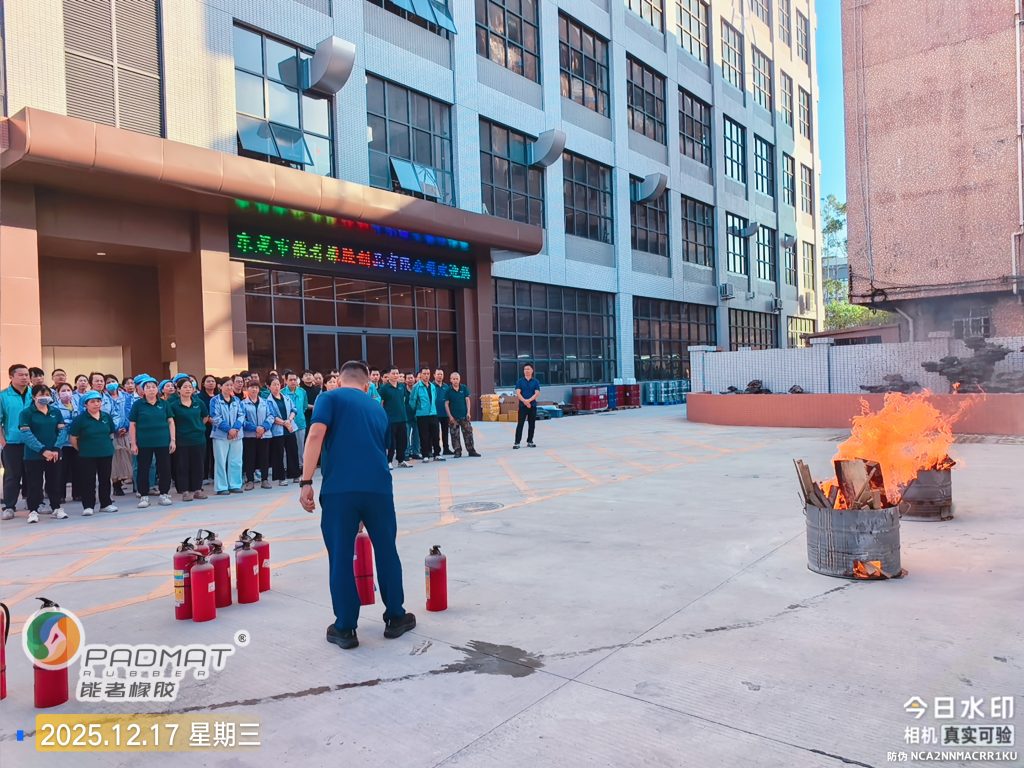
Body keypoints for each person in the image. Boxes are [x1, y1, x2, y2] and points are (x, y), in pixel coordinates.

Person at [298, 360, 415, 650]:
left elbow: (315, 434)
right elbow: (381, 449)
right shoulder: (377, 408)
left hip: (340, 491)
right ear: (367, 385)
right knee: (386, 551)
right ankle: (396, 617)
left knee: (341, 556)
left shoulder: (328, 398)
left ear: (339, 381)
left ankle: (345, 628)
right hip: (378, 490)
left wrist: (306, 481)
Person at [19, 384, 67, 523]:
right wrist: (42, 450)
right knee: (35, 484)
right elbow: (26, 435)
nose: (45, 397)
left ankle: (56, 507)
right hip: (34, 455)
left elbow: (62, 431)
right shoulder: (26, 413)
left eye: (47, 394)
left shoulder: (55, 412)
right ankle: (33, 510)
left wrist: (56, 448)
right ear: (34, 397)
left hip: (54, 454)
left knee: (54, 482)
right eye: (41, 394)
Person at [69, 390, 118, 516]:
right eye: (92, 402)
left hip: (105, 453)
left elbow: (111, 433)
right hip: (87, 454)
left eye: (98, 401)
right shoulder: (80, 419)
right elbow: (73, 438)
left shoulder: (106, 417)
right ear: (85, 404)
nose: (96, 404)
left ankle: (106, 504)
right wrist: (81, 449)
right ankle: (88, 505)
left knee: (105, 479)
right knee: (88, 480)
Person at [129, 377, 175, 508]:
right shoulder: (138, 405)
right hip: (144, 443)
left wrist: (173, 440)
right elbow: (132, 424)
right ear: (143, 390)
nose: (151, 389)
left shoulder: (164, 404)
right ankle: (143, 496)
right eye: (147, 387)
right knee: (143, 469)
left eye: (153, 387)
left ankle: (164, 494)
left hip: (162, 441)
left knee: (165, 468)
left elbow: (171, 421)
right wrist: (133, 443)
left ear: (157, 389)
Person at [0, 364, 32, 520]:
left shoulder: (34, 393)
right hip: (12, 442)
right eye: (21, 375)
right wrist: (3, 442)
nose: (25, 377)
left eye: (26, 375)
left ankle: (34, 503)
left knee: (33, 474)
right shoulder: (3, 396)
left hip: (32, 441)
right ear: (11, 376)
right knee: (12, 475)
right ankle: (9, 506)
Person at [170, 378, 208, 502]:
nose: (188, 389)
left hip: (198, 439)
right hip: (182, 440)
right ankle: (185, 491)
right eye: (185, 387)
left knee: (198, 465)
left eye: (190, 387)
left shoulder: (198, 402)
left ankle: (197, 489)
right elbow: (171, 422)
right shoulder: (174, 405)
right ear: (178, 389)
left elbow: (205, 417)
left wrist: (198, 426)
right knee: (182, 465)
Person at [209, 377, 244, 494]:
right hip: (220, 435)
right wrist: (228, 430)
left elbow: (241, 415)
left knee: (236, 461)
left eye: (231, 385)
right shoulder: (215, 400)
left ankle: (235, 484)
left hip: (237, 435)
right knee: (220, 461)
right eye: (227, 385)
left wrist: (235, 429)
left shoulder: (237, 400)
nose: (229, 387)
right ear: (220, 386)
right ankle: (221, 487)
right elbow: (215, 417)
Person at [241, 380, 273, 491]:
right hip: (249, 435)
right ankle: (250, 480)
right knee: (249, 458)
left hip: (264, 434)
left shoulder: (266, 402)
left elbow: (271, 416)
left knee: (264, 457)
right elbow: (242, 419)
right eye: (251, 387)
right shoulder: (243, 403)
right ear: (247, 389)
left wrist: (263, 428)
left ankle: (265, 480)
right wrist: (255, 428)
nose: (254, 389)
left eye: (256, 387)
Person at [267, 376, 298, 486]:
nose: (276, 387)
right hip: (278, 430)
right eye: (274, 385)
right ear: (268, 387)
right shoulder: (268, 401)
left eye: (278, 384)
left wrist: (289, 420)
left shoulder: (286, 397)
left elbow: (294, 409)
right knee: (278, 454)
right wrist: (285, 423)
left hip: (290, 428)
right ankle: (281, 477)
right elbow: (271, 415)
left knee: (293, 451)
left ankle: (295, 475)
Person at [378, 367, 411, 469]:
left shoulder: (402, 386)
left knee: (403, 441)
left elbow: (403, 400)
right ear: (388, 375)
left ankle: (401, 460)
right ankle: (389, 461)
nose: (396, 375)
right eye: (393, 373)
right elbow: (381, 404)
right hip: (390, 419)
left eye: (397, 373)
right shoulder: (384, 388)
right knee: (391, 442)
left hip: (402, 418)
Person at [54, 382, 81, 503]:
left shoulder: (78, 405)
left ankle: (78, 494)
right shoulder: (54, 407)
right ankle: (60, 495)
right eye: (63, 391)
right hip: (62, 442)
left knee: (78, 468)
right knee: (61, 470)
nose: (66, 393)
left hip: (76, 441)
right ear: (58, 393)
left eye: (68, 390)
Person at [410, 367, 444, 463]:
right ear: (420, 375)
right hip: (422, 415)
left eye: (428, 373)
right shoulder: (416, 387)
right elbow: (412, 401)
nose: (426, 376)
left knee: (436, 435)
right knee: (424, 436)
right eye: (424, 373)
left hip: (433, 413)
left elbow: (434, 398)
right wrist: (419, 409)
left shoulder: (432, 386)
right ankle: (425, 455)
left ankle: (437, 454)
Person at [445, 372, 481, 458]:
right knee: (455, 435)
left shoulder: (464, 388)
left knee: (468, 433)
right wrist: (450, 416)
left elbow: (467, 400)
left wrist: (468, 412)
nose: (455, 380)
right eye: (453, 379)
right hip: (454, 418)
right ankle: (457, 451)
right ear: (450, 380)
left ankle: (471, 451)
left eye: (457, 379)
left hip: (464, 416)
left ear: (459, 379)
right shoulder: (448, 390)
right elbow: (446, 404)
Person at [107, 378, 133, 497]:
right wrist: (115, 428)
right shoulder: (104, 398)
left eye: (113, 381)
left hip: (126, 431)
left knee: (128, 457)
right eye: (108, 382)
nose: (111, 384)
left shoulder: (126, 396)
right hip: (112, 433)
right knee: (115, 460)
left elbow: (130, 412)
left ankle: (132, 482)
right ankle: (116, 485)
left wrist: (126, 427)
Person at [284, 370, 308, 474]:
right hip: (286, 425)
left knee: (300, 446)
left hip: (300, 423)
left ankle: (301, 466)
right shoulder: (282, 392)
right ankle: (286, 467)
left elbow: (304, 406)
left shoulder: (302, 391)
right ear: (286, 381)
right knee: (286, 449)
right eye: (290, 380)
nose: (293, 382)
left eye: (294, 379)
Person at [513, 363, 541, 449]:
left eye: (528, 369)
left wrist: (528, 401)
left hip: (532, 406)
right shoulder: (520, 381)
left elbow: (537, 393)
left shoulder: (536, 382)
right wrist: (525, 401)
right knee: (520, 424)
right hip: (522, 406)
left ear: (532, 370)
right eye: (525, 369)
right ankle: (517, 443)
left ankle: (530, 441)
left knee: (532, 424)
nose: (526, 371)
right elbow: (518, 393)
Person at [198, 374, 218, 482]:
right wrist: (209, 419)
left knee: (216, 452)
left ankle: (215, 475)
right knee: (205, 452)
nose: (211, 383)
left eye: (213, 381)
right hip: (205, 427)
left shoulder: (218, 396)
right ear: (203, 384)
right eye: (208, 381)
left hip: (218, 427)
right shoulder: (199, 397)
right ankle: (204, 475)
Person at [432, 368, 454, 456]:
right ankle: (436, 450)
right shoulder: (431, 386)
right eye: (438, 374)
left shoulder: (446, 387)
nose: (440, 376)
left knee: (445, 432)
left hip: (445, 413)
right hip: (435, 413)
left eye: (441, 374)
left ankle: (446, 449)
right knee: (435, 433)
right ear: (434, 375)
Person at [403, 372, 422, 461]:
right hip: (406, 416)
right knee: (406, 436)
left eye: (411, 378)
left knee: (416, 436)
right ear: (405, 380)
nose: (410, 380)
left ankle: (415, 453)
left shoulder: (417, 389)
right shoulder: (402, 390)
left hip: (416, 416)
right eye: (408, 378)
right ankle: (406, 453)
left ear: (414, 379)